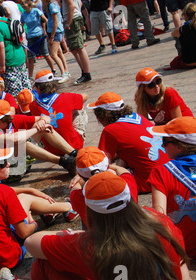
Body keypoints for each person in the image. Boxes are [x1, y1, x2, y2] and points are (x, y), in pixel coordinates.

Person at [0, 171, 196, 280]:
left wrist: (74, 233)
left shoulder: (90, 245)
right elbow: (181, 276)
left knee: (47, 261)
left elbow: (32, 242)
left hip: (106, 272)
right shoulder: (162, 223)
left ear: (91, 213)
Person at [0, 145, 76, 270]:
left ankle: (53, 211)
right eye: (3, 163)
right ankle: (69, 207)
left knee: (24, 196)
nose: (8, 165)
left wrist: (30, 190)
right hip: (7, 260)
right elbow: (24, 233)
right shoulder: (5, 192)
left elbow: (0, 192)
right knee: (25, 199)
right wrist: (32, 221)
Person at [88, 91, 169, 193]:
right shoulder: (137, 116)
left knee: (105, 177)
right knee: (122, 159)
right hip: (167, 173)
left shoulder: (110, 130)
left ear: (102, 116)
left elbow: (101, 163)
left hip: (148, 182)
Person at [0, 99, 78, 175]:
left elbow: (47, 117)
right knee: (21, 142)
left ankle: (75, 153)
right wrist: (37, 129)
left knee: (44, 128)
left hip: (19, 160)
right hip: (6, 170)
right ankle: (64, 162)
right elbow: (14, 139)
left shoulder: (14, 119)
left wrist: (42, 122)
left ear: (6, 119)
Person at [147, 117, 196, 259]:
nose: (162, 146)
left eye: (165, 142)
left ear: (180, 147)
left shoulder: (161, 172)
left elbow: (159, 216)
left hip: (183, 248)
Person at [68, 146, 138, 228]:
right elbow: (123, 171)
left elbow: (74, 187)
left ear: (79, 174)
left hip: (98, 237)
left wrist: (80, 177)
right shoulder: (127, 183)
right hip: (132, 230)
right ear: (107, 164)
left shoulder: (77, 197)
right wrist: (110, 167)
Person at [29, 69, 87, 156]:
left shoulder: (33, 106)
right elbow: (85, 96)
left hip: (51, 150)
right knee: (79, 108)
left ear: (38, 88)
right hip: (74, 146)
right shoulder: (67, 97)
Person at [0, 5, 31, 97]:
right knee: (25, 89)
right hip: (20, 56)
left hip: (10, 61)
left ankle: (17, 110)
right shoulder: (7, 20)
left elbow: (1, 47)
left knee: (15, 94)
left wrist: (2, 65)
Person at [20, 0, 55, 79]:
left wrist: (45, 29)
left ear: (28, 3)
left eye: (24, 3)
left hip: (39, 35)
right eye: (22, 4)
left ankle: (53, 69)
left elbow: (45, 19)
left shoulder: (36, 11)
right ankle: (30, 76)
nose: (23, 5)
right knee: (30, 57)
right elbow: (21, 25)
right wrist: (21, 34)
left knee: (45, 54)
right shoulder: (23, 14)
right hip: (30, 36)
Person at [61, 0, 92, 84]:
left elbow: (72, 6)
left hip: (72, 19)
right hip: (75, 18)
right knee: (74, 49)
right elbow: (80, 4)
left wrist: (68, 23)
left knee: (79, 48)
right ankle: (84, 71)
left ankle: (86, 73)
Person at [41, 0, 70, 82]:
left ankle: (63, 73)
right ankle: (66, 71)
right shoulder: (52, 4)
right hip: (52, 31)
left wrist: (52, 37)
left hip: (56, 31)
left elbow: (56, 22)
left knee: (53, 54)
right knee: (59, 52)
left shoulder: (52, 5)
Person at [168, 2, 196, 70]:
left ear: (186, 15)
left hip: (189, 61)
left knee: (174, 63)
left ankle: (182, 53)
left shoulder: (182, 29)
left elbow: (172, 34)